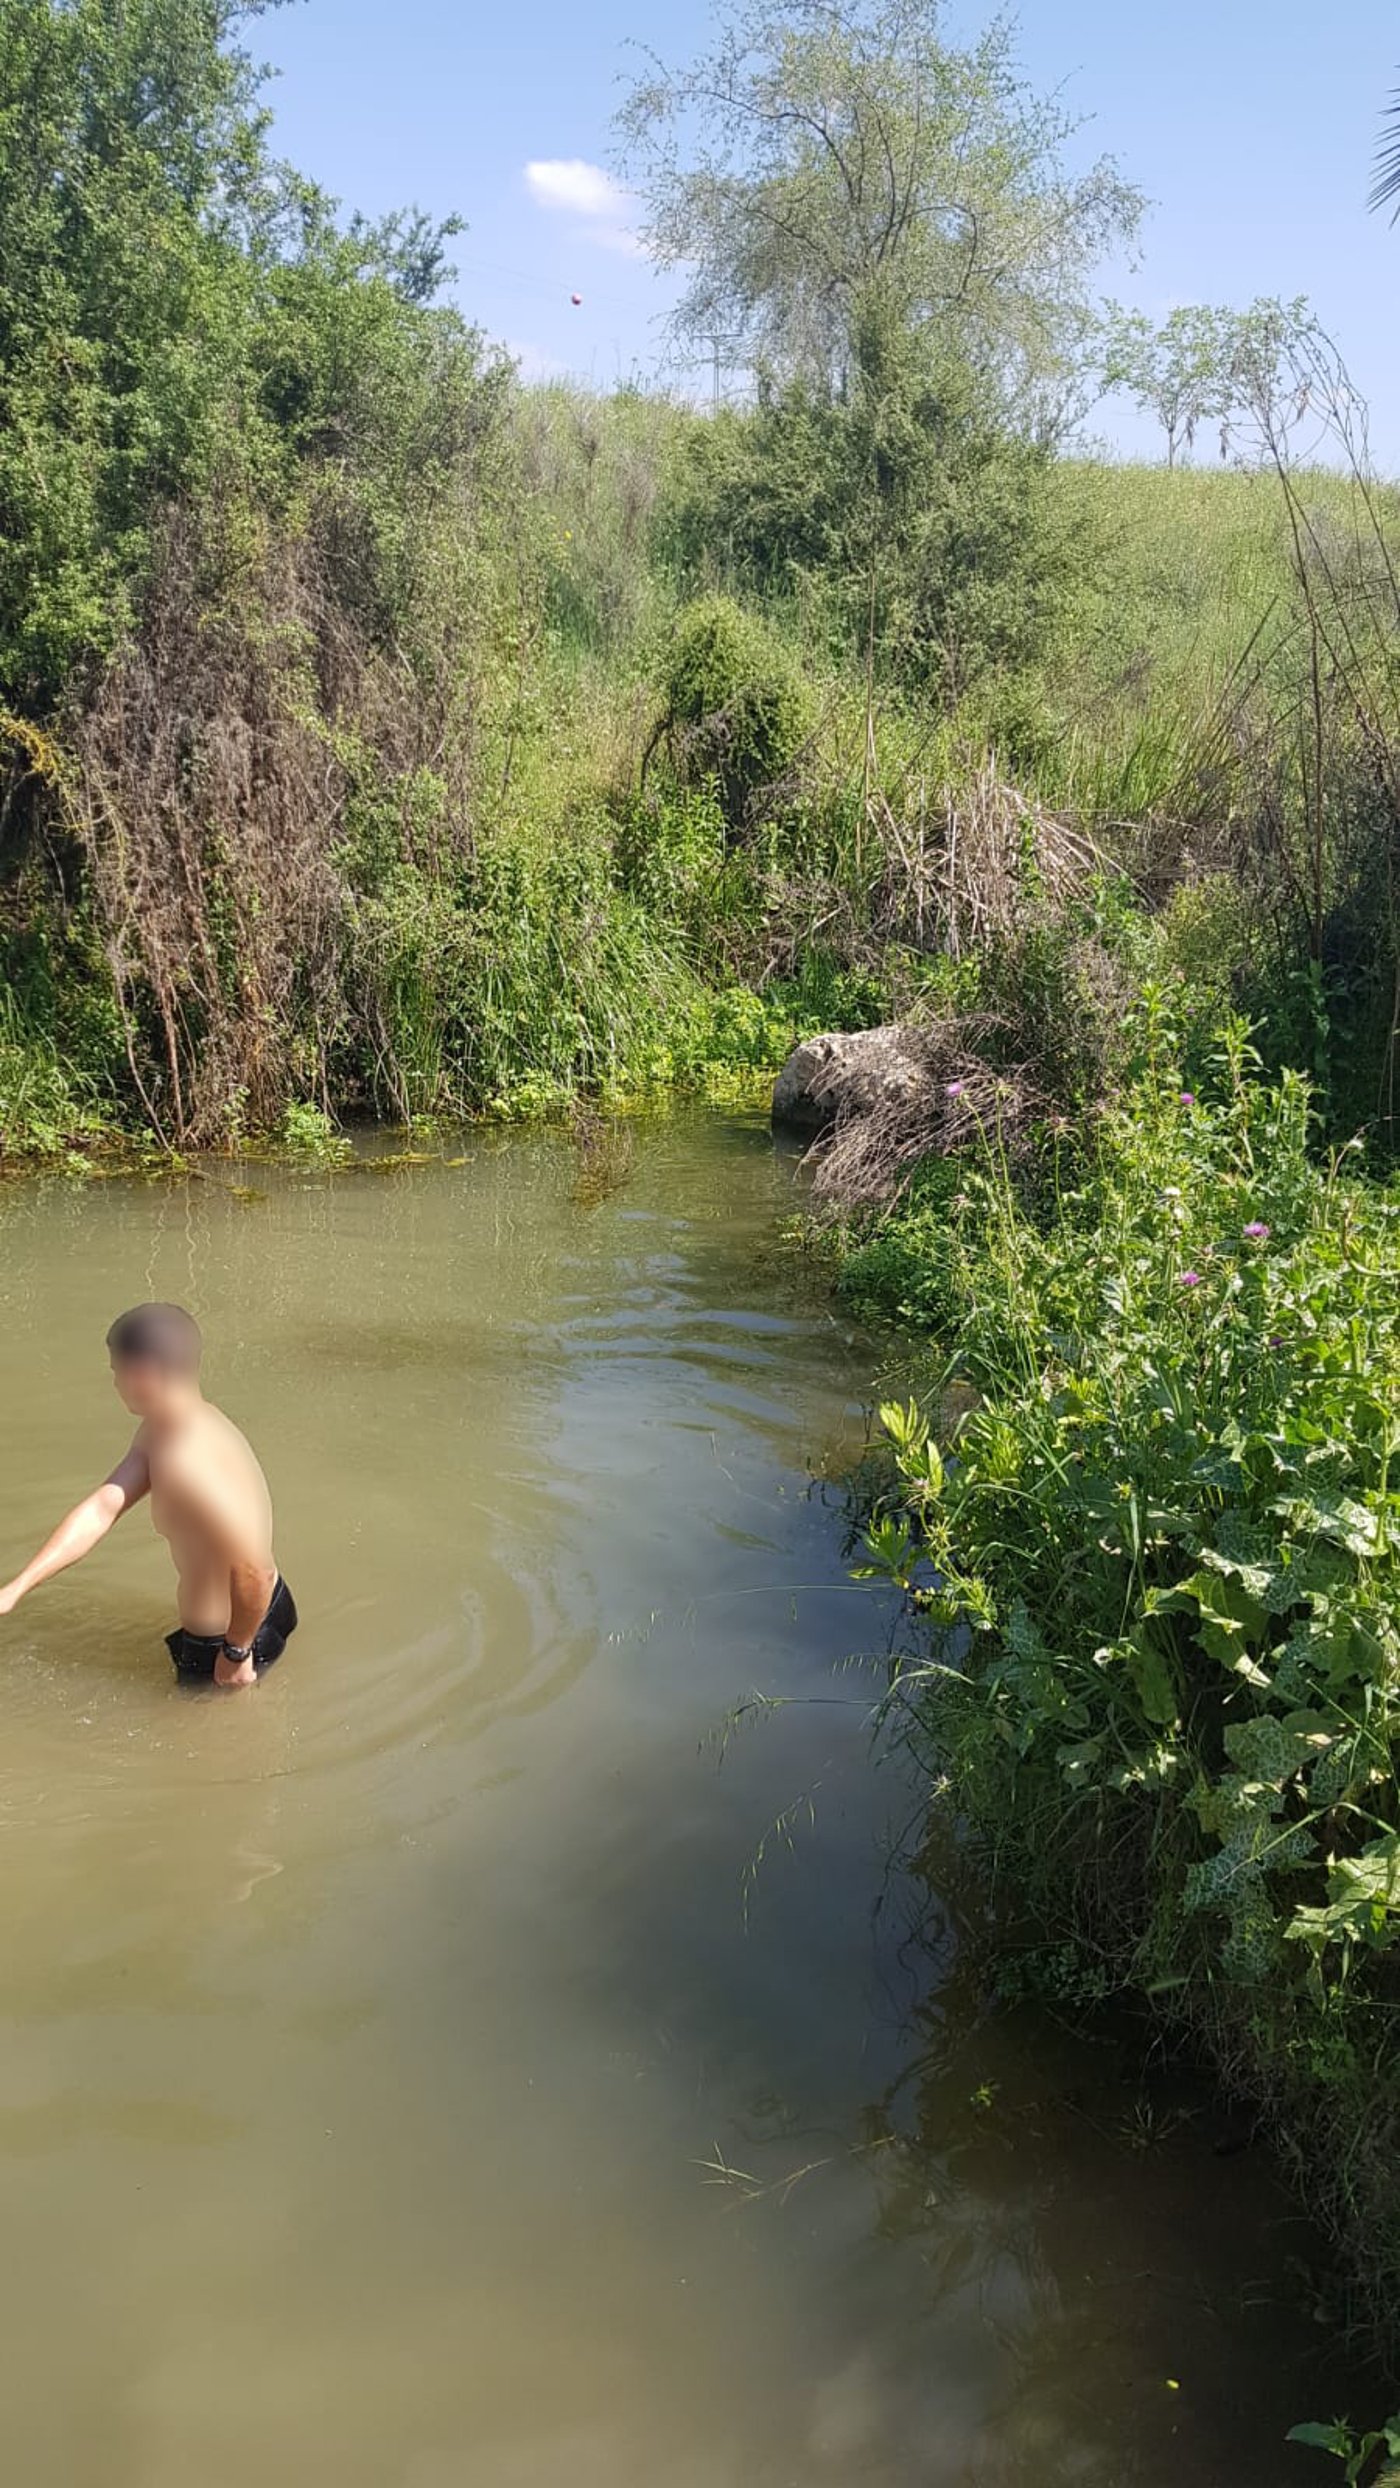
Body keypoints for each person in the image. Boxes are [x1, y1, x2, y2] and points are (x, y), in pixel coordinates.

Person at [0, 1303, 296, 1688]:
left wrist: (236, 1653)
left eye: (117, 1372)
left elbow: (256, 1568)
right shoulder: (172, 1427)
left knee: (210, 1728)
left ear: (142, 1373)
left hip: (232, 1636)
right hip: (256, 1612)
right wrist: (16, 1589)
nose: (115, 1384)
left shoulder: (184, 1461)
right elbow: (103, 1506)